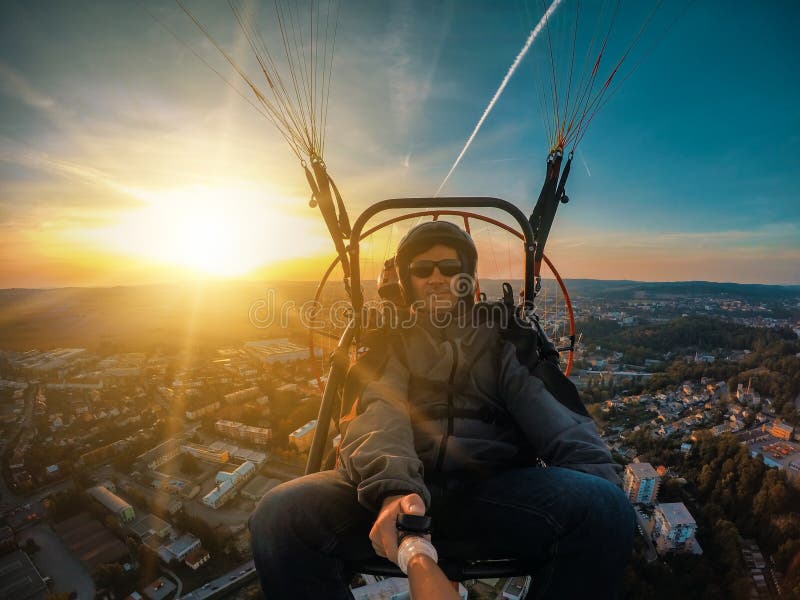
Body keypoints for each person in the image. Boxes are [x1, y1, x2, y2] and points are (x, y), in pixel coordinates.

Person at [250, 221, 635, 599]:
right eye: (422, 270)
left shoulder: (503, 338)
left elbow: (554, 417)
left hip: (493, 493)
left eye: (449, 268)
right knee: (281, 515)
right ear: (407, 280)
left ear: (466, 278)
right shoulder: (389, 340)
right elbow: (378, 414)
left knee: (603, 508)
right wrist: (395, 490)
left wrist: (601, 497)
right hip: (393, 497)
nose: (436, 278)